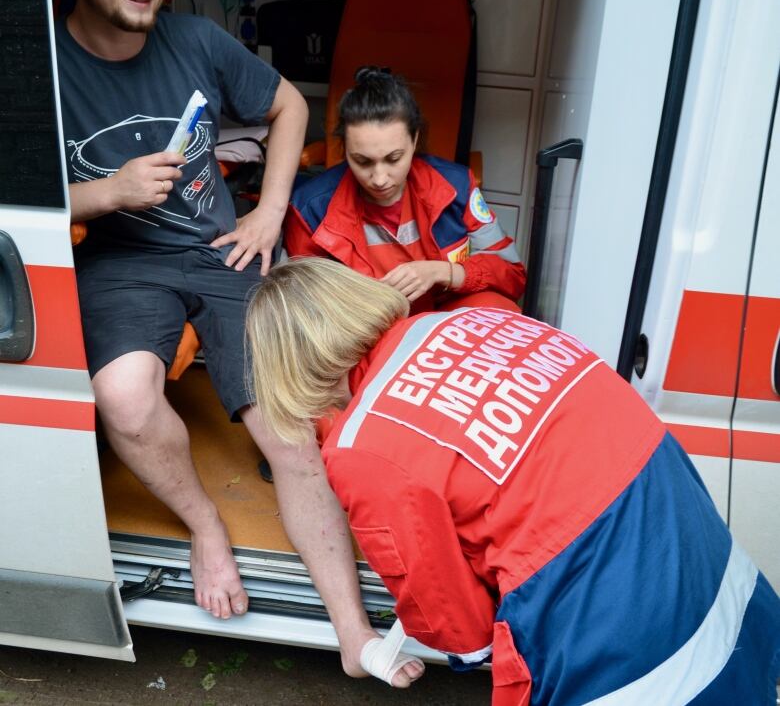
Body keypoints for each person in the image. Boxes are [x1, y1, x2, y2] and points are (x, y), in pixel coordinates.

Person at [56, 0, 421, 684]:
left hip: (225, 249)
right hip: (119, 262)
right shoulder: (41, 70)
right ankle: (205, 524)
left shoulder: (195, 39)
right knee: (123, 394)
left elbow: (290, 106)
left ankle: (354, 636)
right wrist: (104, 194)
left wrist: (269, 212)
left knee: (288, 430)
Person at [247, 257, 780, 704]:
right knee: (739, 660)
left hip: (602, 600)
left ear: (289, 369)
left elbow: (448, 612)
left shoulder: (362, 445)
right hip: (684, 520)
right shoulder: (477, 321)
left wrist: (469, 649)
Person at [284, 66, 526, 315]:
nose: (379, 179)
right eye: (363, 161)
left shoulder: (456, 187)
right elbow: (302, 306)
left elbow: (512, 275)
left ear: (414, 140)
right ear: (344, 149)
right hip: (360, 332)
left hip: (442, 324)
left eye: (394, 158)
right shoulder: (310, 208)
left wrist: (441, 272)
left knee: (498, 308)